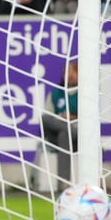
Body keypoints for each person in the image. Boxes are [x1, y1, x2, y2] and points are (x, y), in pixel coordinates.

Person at [39, 61, 78, 191]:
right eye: (66, 73)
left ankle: (63, 184)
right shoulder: (55, 94)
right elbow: (48, 115)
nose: (69, 76)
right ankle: (64, 183)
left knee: (64, 135)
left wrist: (75, 118)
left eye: (73, 73)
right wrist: (62, 118)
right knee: (48, 122)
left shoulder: (86, 94)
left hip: (79, 137)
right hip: (58, 136)